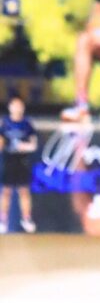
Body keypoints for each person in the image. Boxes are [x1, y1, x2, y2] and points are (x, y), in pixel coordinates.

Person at [0, 95, 38, 233]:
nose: (17, 107)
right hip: (8, 161)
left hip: (23, 162)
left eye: (19, 105)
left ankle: (26, 218)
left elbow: (33, 144)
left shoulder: (27, 124)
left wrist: (24, 146)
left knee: (24, 191)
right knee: (6, 191)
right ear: (10, 107)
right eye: (14, 105)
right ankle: (3, 220)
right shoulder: (4, 124)